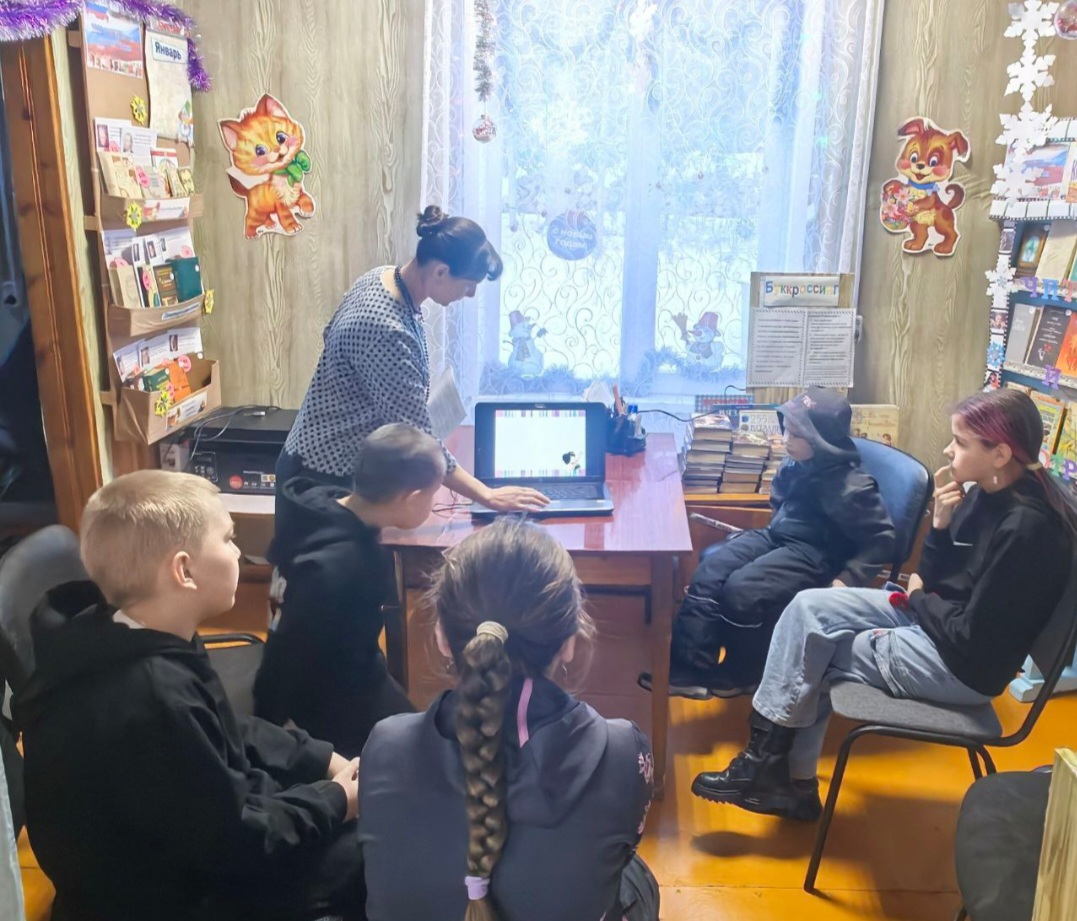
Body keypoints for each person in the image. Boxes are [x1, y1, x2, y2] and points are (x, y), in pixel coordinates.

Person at [691, 389, 1076, 821]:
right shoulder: (987, 492)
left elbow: (970, 635)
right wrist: (940, 528)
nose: (948, 451)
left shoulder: (1027, 530)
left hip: (961, 666)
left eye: (960, 442)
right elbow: (939, 581)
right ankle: (769, 770)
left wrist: (918, 599)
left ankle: (782, 779)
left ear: (1000, 453)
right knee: (806, 608)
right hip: (938, 626)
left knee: (815, 648)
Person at [16, 471, 365, 921]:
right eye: (228, 539)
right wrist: (336, 800)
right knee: (368, 856)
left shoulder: (130, 631)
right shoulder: (153, 697)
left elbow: (223, 726)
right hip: (163, 897)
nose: (238, 552)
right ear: (183, 571)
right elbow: (235, 842)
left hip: (196, 832)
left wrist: (318, 760)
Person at [358, 518, 659, 921]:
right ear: (569, 641)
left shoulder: (385, 744)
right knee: (637, 876)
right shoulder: (622, 752)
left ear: (443, 637)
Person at [277, 205, 548, 517]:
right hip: (323, 475)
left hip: (320, 459)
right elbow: (418, 437)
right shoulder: (386, 329)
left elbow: (330, 335)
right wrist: (487, 495)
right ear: (440, 272)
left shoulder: (380, 277)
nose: (471, 294)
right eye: (468, 284)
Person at [640, 388, 895, 699]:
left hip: (817, 554)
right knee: (710, 569)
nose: (786, 439)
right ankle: (690, 668)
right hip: (780, 535)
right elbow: (779, 500)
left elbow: (881, 541)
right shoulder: (796, 462)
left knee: (743, 590)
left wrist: (847, 579)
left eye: (797, 435)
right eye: (786, 429)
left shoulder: (853, 488)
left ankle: (743, 673)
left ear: (821, 441)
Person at [255, 423, 446, 757]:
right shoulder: (351, 565)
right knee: (421, 754)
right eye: (433, 494)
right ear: (412, 498)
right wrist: (270, 725)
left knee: (420, 732)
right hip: (328, 694)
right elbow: (292, 650)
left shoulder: (313, 508)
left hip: (341, 661)